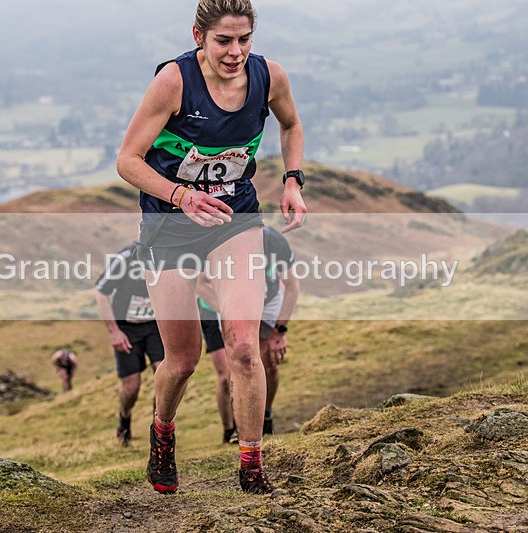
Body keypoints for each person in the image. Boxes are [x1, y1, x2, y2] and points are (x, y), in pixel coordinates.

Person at [116, 0, 307, 494]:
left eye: (244, 40)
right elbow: (128, 160)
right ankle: (162, 432)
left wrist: (292, 181)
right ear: (199, 36)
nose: (235, 51)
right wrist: (181, 195)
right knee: (182, 360)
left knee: (245, 346)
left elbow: (290, 124)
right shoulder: (173, 82)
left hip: (234, 219)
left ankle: (251, 464)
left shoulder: (269, 77)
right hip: (170, 228)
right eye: (223, 40)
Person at [199, 225, 300, 439]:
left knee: (268, 363)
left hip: (268, 301)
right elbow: (200, 285)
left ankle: (265, 416)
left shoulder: (274, 241)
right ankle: (233, 428)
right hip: (230, 303)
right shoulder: (218, 239)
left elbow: (292, 286)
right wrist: (227, 311)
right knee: (235, 366)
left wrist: (279, 332)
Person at [95, 241, 165, 448]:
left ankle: (160, 430)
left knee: (165, 375)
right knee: (131, 387)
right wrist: (114, 332)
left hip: (155, 327)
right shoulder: (125, 257)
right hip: (127, 329)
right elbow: (101, 291)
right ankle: (124, 420)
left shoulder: (170, 254)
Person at [198, 298, 238, 444]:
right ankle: (228, 428)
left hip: (237, 309)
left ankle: (242, 425)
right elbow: (201, 285)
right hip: (211, 312)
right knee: (225, 376)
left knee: (241, 370)